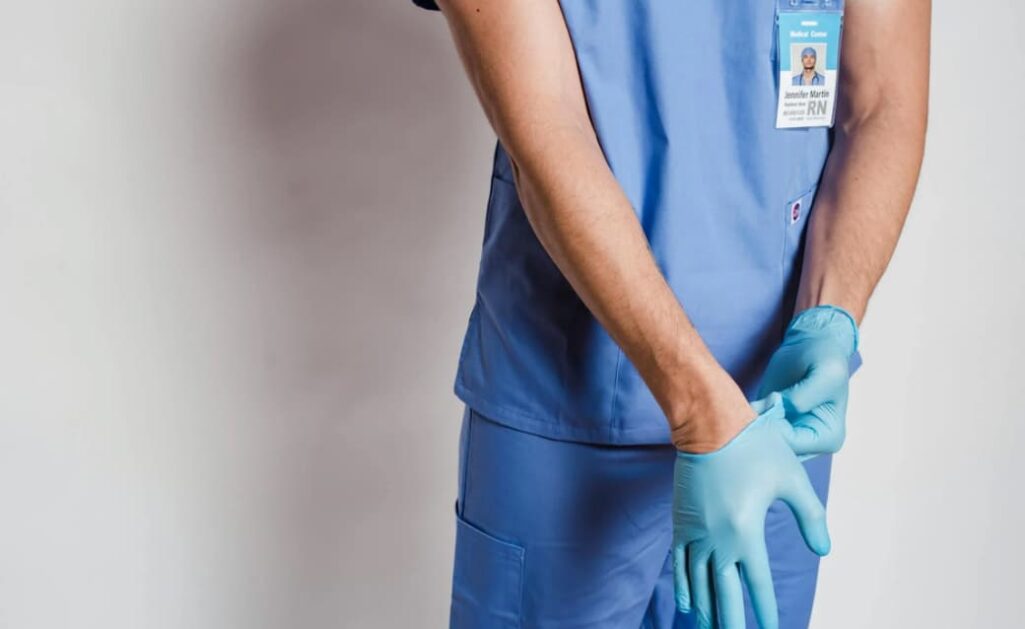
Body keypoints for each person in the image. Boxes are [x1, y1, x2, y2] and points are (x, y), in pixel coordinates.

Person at [410, 1, 930, 627]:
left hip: (774, 418)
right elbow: (545, 130)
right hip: (570, 406)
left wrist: (830, 318)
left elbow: (881, 103)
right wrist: (699, 410)